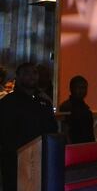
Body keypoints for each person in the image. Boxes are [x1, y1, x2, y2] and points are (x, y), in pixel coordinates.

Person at [0, 63, 58, 191]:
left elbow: (52, 128)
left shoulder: (43, 101)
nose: (32, 76)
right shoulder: (8, 102)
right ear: (18, 76)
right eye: (27, 73)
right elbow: (5, 134)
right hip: (16, 162)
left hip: (41, 159)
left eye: (34, 73)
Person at [58, 75, 95, 144]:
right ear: (71, 89)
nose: (82, 90)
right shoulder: (66, 107)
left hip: (86, 146)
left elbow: (90, 132)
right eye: (78, 87)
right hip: (74, 147)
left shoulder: (86, 108)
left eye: (84, 88)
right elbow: (64, 131)